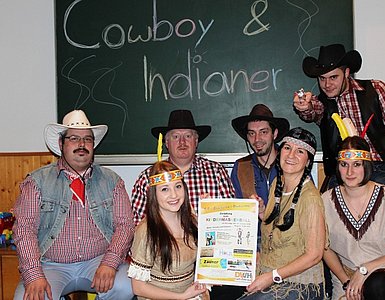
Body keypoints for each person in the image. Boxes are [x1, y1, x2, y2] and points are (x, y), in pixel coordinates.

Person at [13, 110, 135, 299]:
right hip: (50, 265)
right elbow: (24, 230)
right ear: (61, 144)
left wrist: (110, 262)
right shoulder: (37, 182)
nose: (81, 145)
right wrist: (34, 274)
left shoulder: (112, 181)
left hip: (98, 261)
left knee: (127, 285)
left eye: (87, 139)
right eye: (74, 138)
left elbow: (125, 225)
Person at [293, 43, 385, 199]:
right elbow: (312, 112)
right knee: (325, 212)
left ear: (346, 72)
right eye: (322, 79)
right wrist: (305, 107)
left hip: (380, 169)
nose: (327, 84)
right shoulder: (321, 102)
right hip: (342, 172)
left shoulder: (376, 89)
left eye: (333, 77)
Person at [322, 136, 385, 300]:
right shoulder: (325, 201)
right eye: (344, 165)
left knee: (379, 286)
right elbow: (324, 248)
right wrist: (347, 283)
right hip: (346, 277)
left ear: (366, 165)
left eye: (356, 164)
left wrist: (365, 269)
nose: (350, 172)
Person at [240, 127, 327, 299]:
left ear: (308, 161)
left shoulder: (310, 198)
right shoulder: (276, 185)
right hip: (270, 273)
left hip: (299, 283)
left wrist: (272, 276)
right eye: (287, 148)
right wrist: (262, 212)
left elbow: (315, 254)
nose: (291, 155)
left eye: (300, 151)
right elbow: (281, 227)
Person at [131, 109, 235, 224]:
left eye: (188, 136)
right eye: (175, 136)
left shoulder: (216, 172)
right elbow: (137, 224)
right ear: (166, 142)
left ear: (196, 141)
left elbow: (231, 218)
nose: (182, 142)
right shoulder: (148, 178)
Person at [127, 161, 208, 299]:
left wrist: (210, 217)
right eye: (165, 189)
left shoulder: (192, 220)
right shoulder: (146, 231)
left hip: (191, 294)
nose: (174, 195)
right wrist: (181, 296)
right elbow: (138, 288)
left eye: (178, 186)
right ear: (154, 194)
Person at [231, 104, 290, 205]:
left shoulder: (292, 163)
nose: (257, 139)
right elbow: (236, 208)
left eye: (263, 132)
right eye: (252, 133)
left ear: (274, 134)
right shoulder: (241, 167)